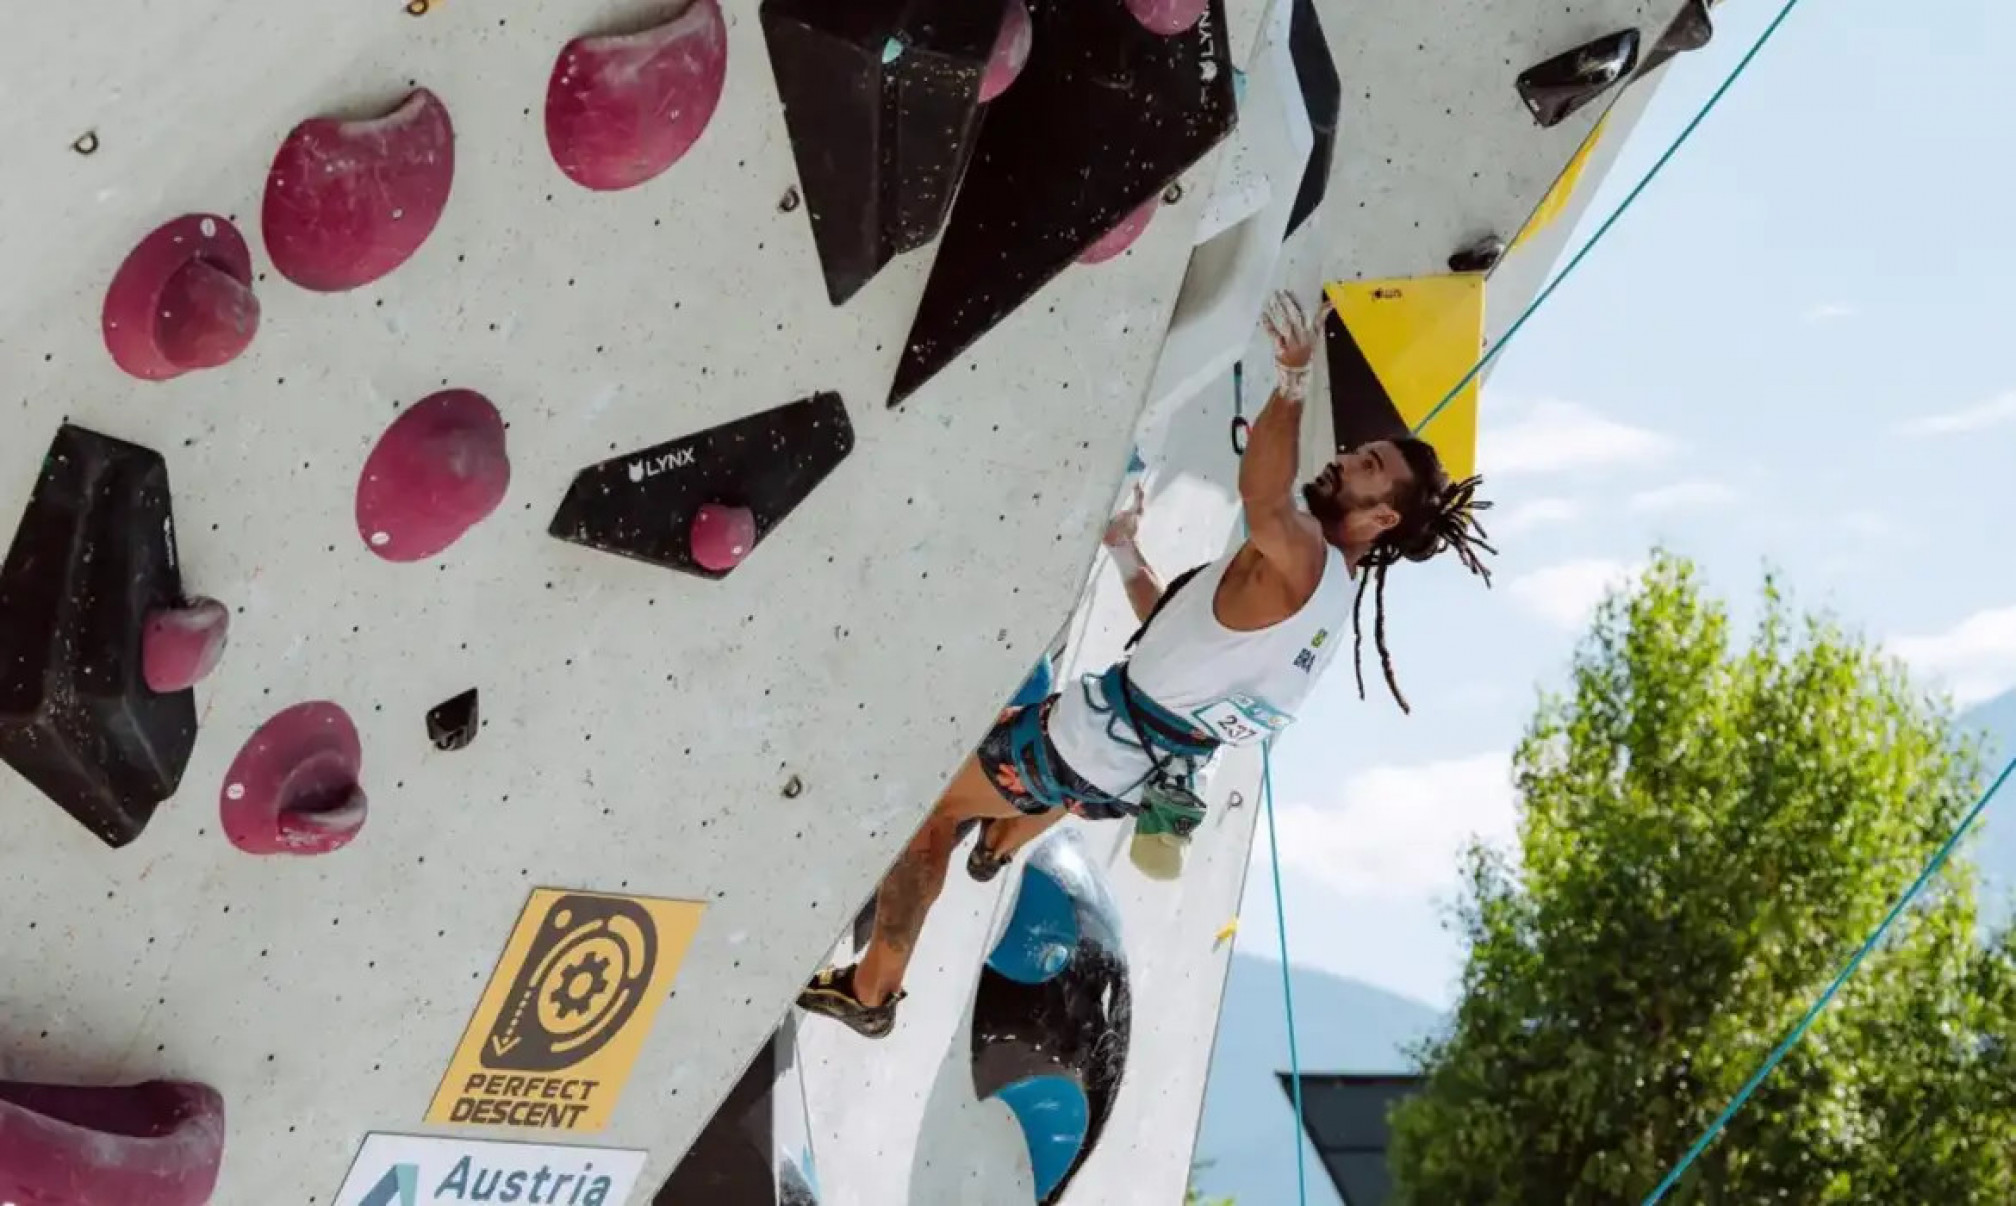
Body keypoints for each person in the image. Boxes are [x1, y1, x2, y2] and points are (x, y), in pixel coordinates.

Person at [797, 291, 1495, 1038]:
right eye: (1358, 452)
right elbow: (1180, 643)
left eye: (1366, 466)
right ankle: (1001, 844)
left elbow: (1261, 496)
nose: (1343, 461)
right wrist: (1128, 552)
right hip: (1140, 776)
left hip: (1090, 746)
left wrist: (1292, 380)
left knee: (933, 814)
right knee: (1053, 773)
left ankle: (871, 993)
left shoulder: (1305, 562)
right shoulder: (1326, 608)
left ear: (1382, 517)